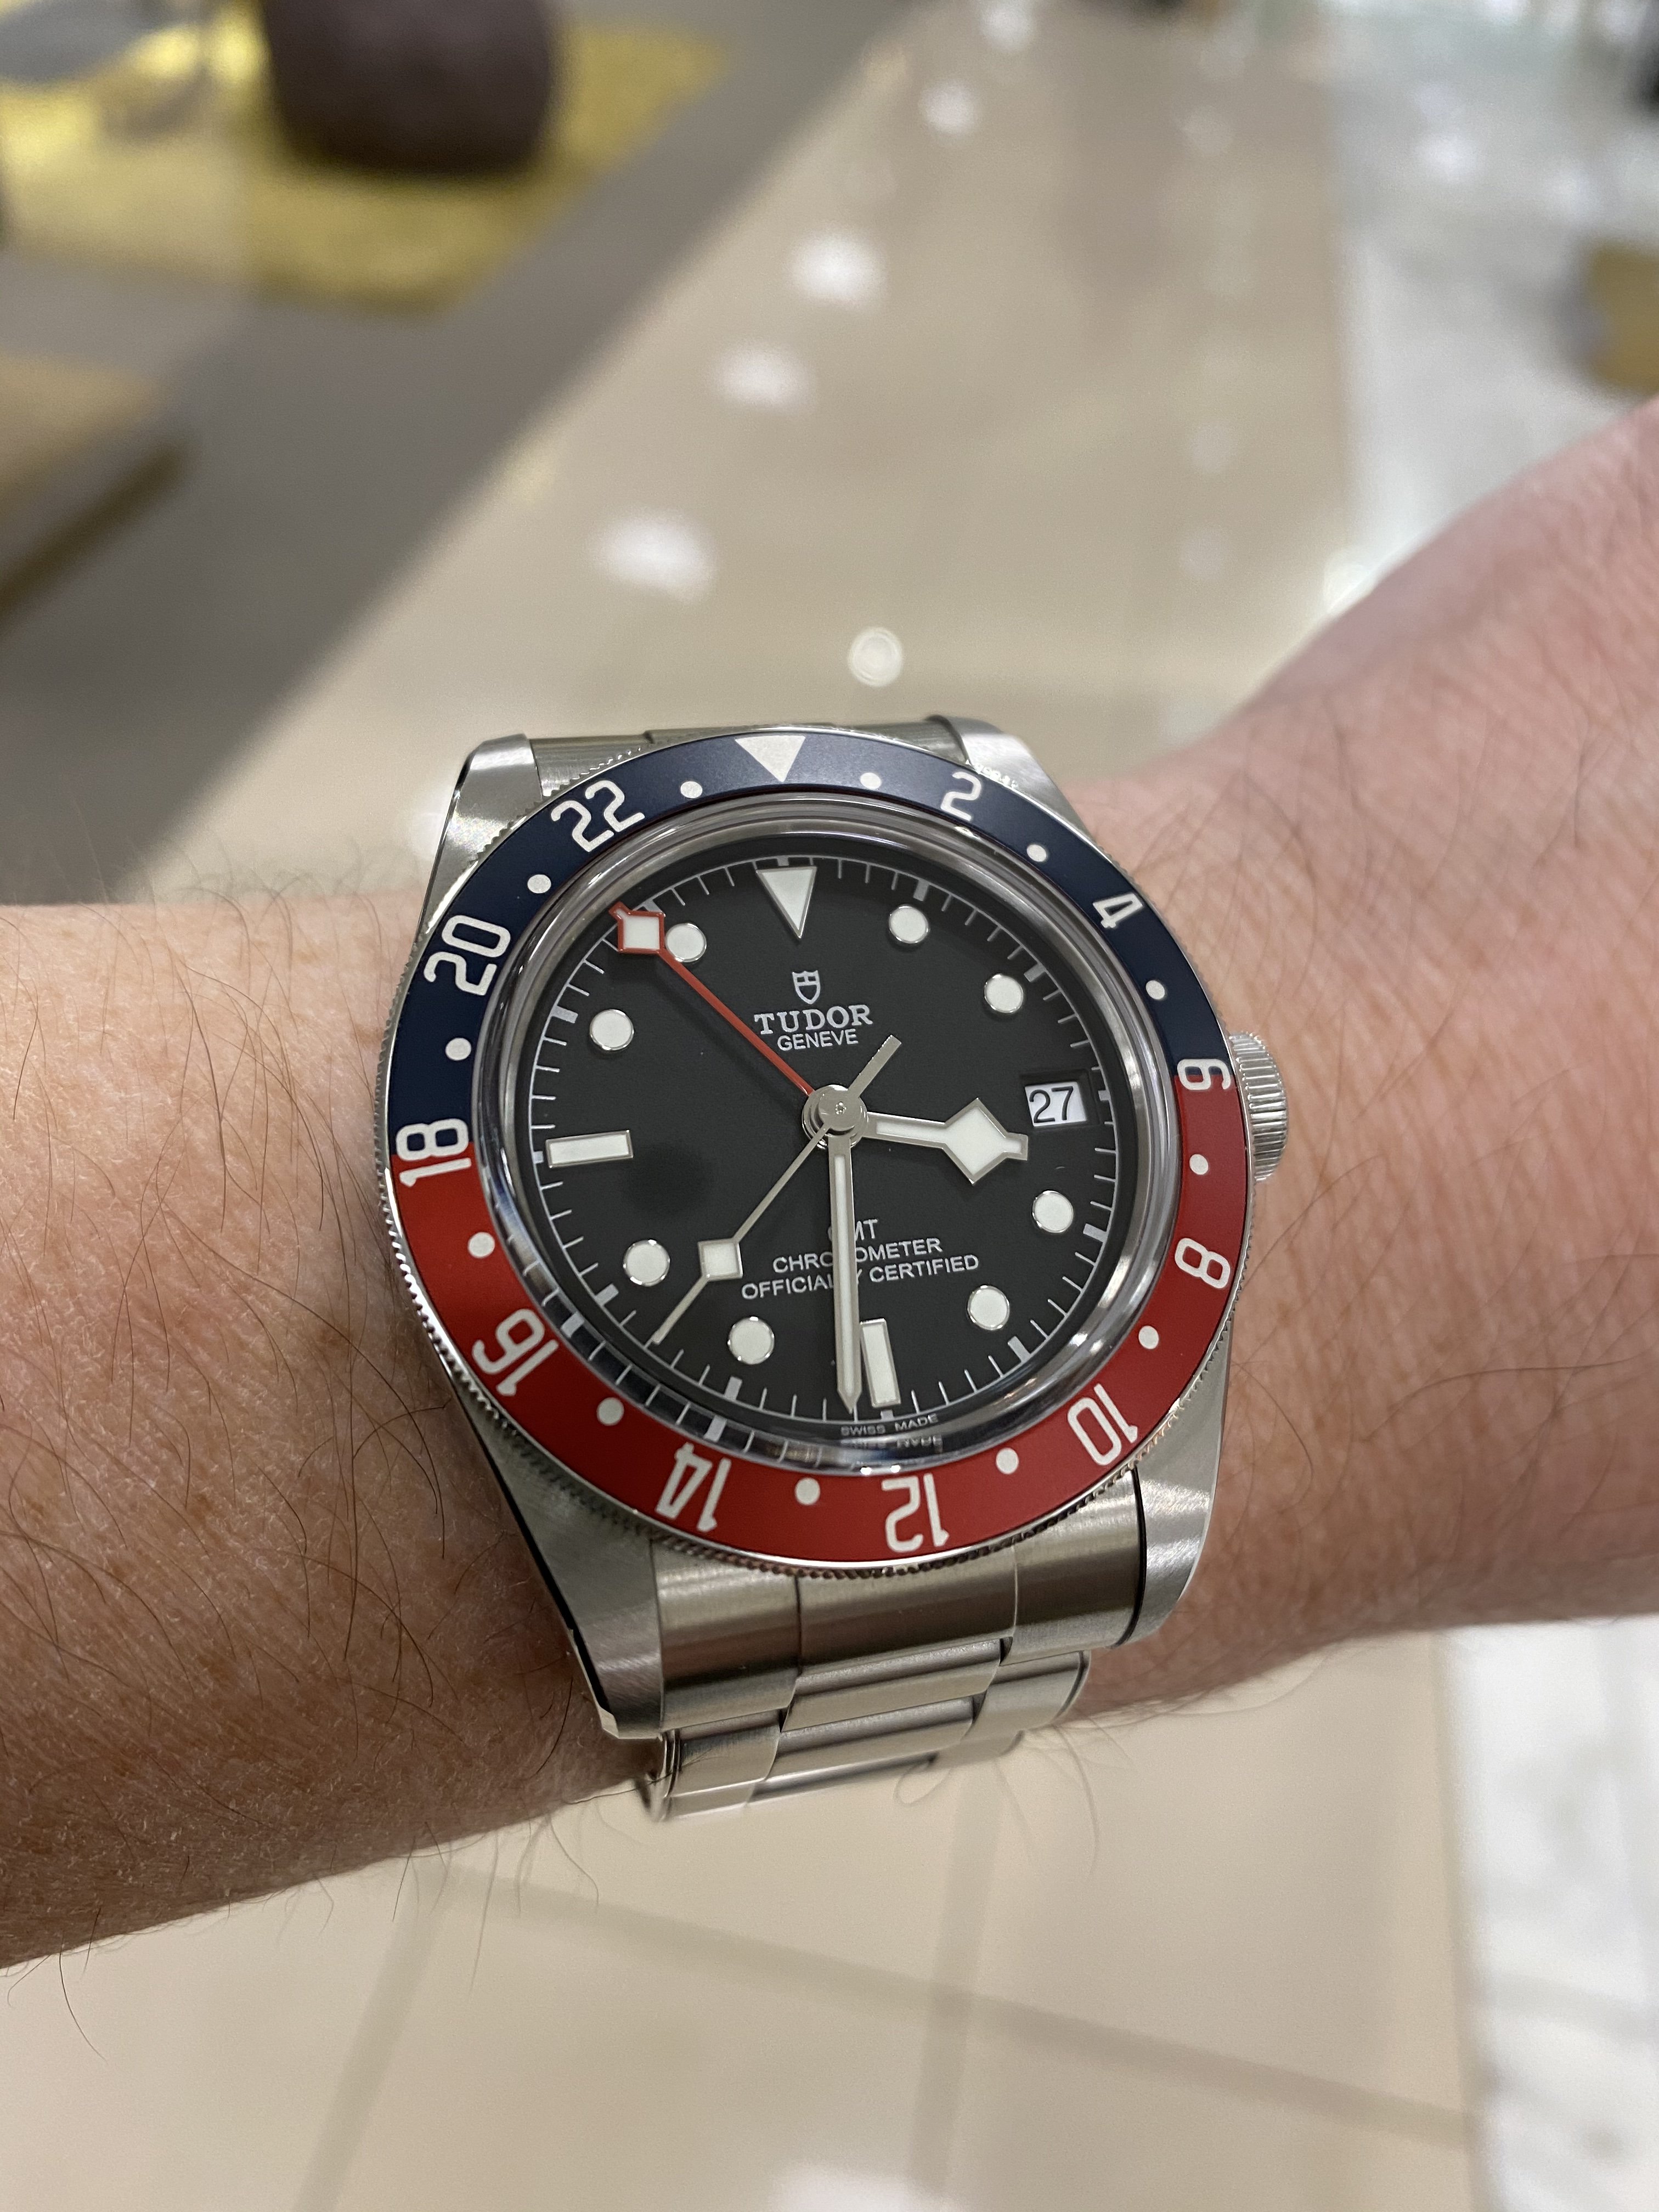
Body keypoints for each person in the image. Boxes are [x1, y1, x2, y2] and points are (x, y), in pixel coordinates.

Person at [5, 400, 1659, 1971]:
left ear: (1226, 1117)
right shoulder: (553, 933)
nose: (842, 1118)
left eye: (860, 1108)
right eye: (832, 1110)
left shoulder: (1118, 1183)